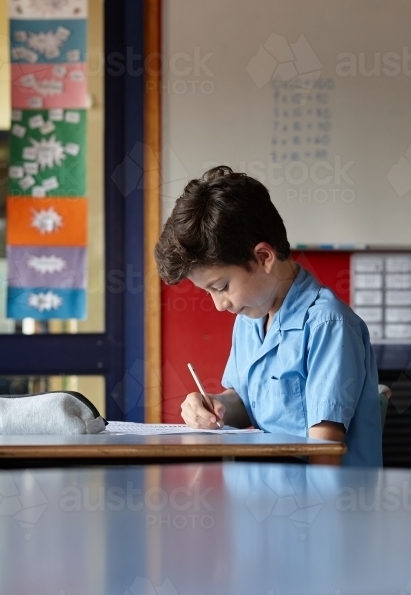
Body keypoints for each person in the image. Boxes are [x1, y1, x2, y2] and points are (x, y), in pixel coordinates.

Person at [154, 166, 382, 467]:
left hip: (319, 504)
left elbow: (324, 454)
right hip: (265, 497)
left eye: (221, 287)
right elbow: (246, 403)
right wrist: (215, 406)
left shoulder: (327, 326)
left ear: (264, 258)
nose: (219, 305)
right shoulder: (249, 319)